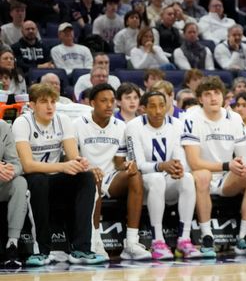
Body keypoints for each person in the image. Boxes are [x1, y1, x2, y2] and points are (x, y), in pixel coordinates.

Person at [14, 83, 105, 266]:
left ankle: (81, 249)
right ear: (32, 105)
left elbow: (72, 156)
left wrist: (82, 164)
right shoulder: (22, 123)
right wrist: (63, 166)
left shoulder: (63, 120)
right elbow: (28, 165)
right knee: (38, 181)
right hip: (32, 179)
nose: (49, 106)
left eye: (53, 102)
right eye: (43, 102)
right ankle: (41, 251)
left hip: (56, 177)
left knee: (86, 178)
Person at [182, 76, 246, 257]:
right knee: (202, 174)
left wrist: (240, 166)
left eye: (217, 93)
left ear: (224, 96)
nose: (213, 98)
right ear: (200, 99)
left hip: (226, 177)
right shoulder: (191, 118)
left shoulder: (234, 118)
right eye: (207, 94)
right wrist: (227, 165)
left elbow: (242, 157)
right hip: (200, 176)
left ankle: (244, 236)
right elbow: (194, 162)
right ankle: (207, 236)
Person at [75, 84, 150, 261]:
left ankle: (131, 242)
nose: (109, 105)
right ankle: (95, 242)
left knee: (135, 175)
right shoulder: (77, 124)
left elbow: (120, 161)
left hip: (111, 177)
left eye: (112, 101)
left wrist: (127, 166)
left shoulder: (121, 126)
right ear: (92, 103)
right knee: (94, 177)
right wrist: (88, 169)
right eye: (103, 101)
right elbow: (70, 157)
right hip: (86, 175)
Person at [127, 90, 201, 260]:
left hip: (166, 178)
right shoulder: (134, 126)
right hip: (144, 182)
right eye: (152, 106)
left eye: (162, 106)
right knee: (157, 178)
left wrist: (178, 167)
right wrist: (162, 166)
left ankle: (184, 240)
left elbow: (178, 155)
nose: (158, 111)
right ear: (143, 108)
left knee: (188, 178)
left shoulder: (176, 124)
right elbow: (137, 165)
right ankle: (157, 241)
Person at [0, 119, 27, 268]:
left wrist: (8, 171)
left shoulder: (3, 127)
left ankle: (12, 244)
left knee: (20, 182)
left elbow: (17, 164)